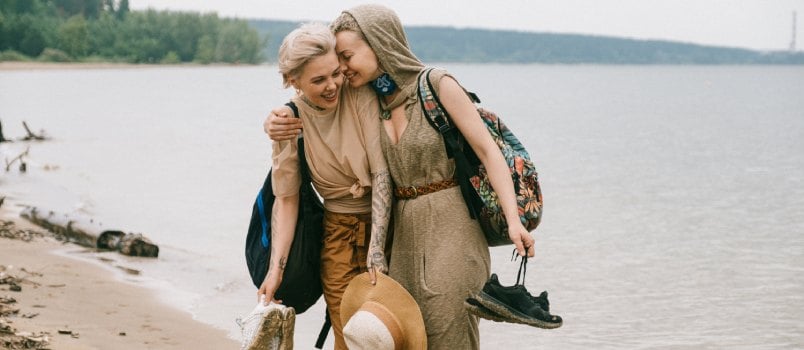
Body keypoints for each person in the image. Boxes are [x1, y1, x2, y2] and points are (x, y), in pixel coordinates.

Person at [265, 5, 535, 349]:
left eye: (344, 59)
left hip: (444, 224)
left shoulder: (425, 85)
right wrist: (273, 123)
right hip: (398, 231)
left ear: (378, 43)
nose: (340, 73)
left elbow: (486, 150)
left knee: (449, 329)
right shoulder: (363, 96)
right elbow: (292, 179)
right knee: (397, 337)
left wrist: (513, 220)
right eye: (334, 65)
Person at [258, 22, 393, 350]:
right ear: (293, 80)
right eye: (318, 80)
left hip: (389, 229)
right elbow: (286, 199)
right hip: (337, 237)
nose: (333, 85)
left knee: (390, 334)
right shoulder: (288, 121)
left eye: (335, 73)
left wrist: (377, 250)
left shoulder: (359, 92)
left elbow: (381, 174)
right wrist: (276, 270)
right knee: (347, 335)